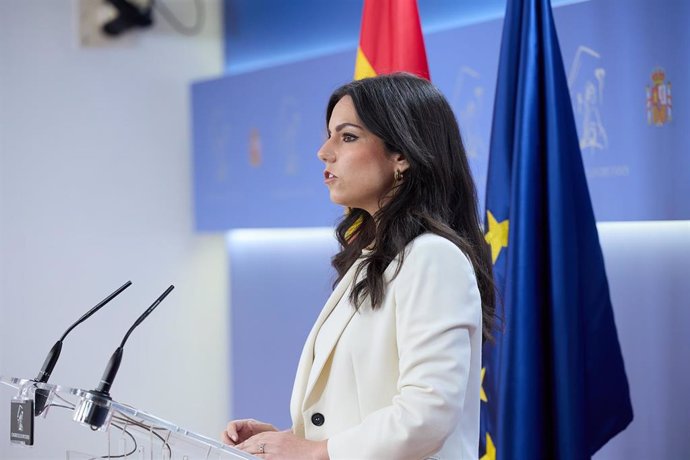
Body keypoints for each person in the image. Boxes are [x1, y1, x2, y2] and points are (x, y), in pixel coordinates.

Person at [222, 73, 495, 460]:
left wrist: (315, 451)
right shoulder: (373, 256)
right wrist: (292, 440)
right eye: (329, 134)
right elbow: (369, 401)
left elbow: (428, 414)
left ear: (402, 154)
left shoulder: (434, 257)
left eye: (347, 136)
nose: (324, 151)